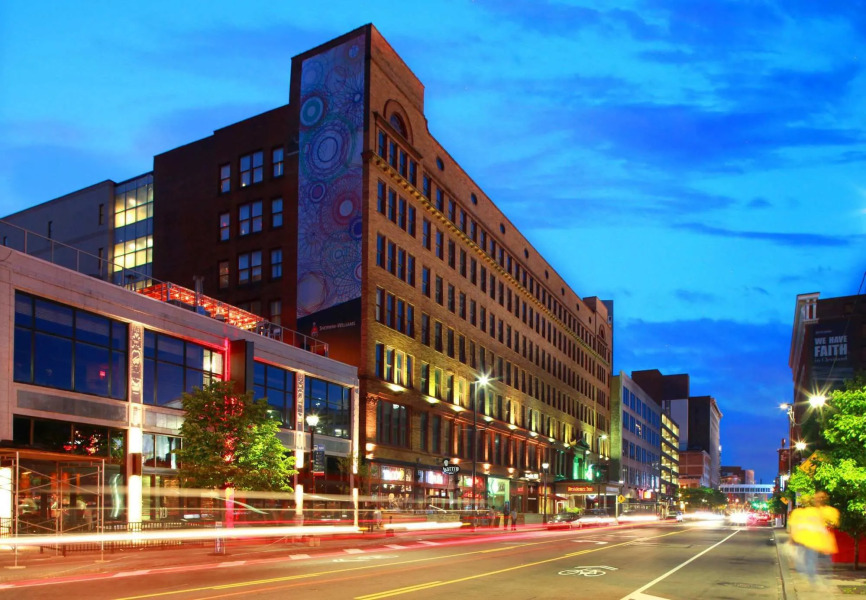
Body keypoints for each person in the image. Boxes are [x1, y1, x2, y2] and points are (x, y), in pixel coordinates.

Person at [789, 491, 840, 586]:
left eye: (822, 497)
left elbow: (834, 524)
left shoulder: (830, 511)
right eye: (817, 497)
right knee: (807, 565)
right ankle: (813, 583)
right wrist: (793, 539)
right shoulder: (808, 512)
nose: (819, 499)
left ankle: (823, 586)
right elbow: (798, 525)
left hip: (825, 545)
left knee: (824, 569)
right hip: (810, 543)